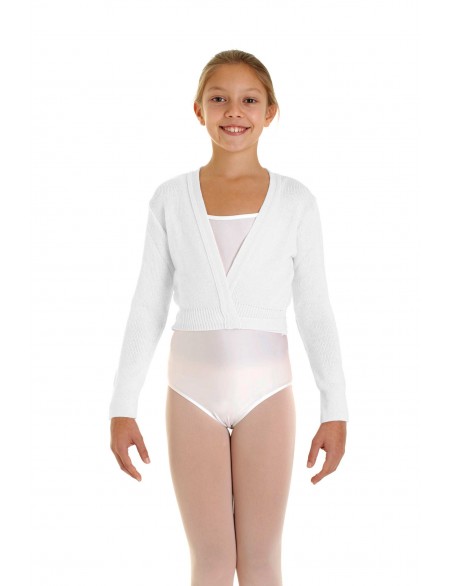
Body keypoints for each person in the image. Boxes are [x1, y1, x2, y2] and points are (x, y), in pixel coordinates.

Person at [109, 49, 349, 586]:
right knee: (212, 562)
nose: (234, 111)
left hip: (268, 393)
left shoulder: (296, 202)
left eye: (249, 100)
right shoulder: (170, 200)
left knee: (261, 562)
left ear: (270, 112)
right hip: (191, 394)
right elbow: (147, 304)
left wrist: (335, 408)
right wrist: (122, 406)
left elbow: (315, 309)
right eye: (219, 98)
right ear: (198, 110)